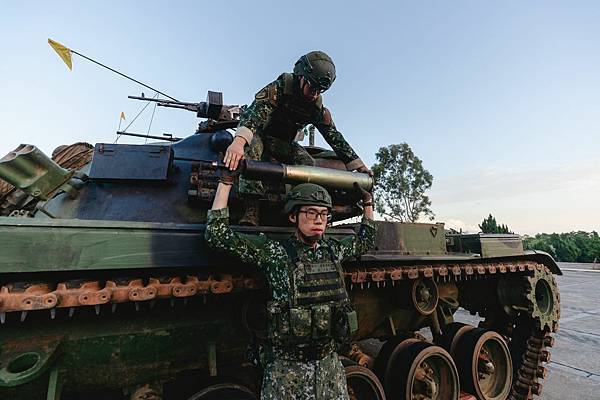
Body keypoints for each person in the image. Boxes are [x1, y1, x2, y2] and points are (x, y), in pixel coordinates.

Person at [205, 175, 376, 400]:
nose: (319, 220)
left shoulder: (333, 250)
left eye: (324, 214)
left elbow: (366, 240)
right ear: (293, 215)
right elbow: (217, 236)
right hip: (288, 373)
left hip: (330, 369)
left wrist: (368, 205)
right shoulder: (276, 253)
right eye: (311, 213)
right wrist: (226, 183)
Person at [223, 50, 372, 225]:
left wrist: (359, 166)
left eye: (320, 90)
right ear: (301, 76)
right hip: (261, 136)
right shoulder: (279, 88)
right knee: (251, 151)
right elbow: (254, 114)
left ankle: (294, 207)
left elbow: (334, 137)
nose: (315, 94)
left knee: (308, 164)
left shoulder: (315, 108)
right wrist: (239, 142)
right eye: (312, 87)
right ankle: (251, 209)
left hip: (283, 143)